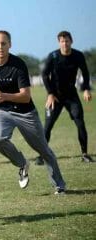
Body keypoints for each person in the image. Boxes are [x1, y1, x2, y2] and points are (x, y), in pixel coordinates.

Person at [0, 30, 66, 194]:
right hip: (2, 112)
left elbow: (26, 96)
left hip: (25, 112)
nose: (0, 47)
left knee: (43, 150)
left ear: (10, 45)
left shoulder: (18, 65)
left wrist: (3, 95)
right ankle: (22, 163)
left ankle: (59, 185)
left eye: (4, 43)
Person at [35, 31, 94, 165]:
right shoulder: (53, 56)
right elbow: (44, 75)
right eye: (62, 41)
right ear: (59, 42)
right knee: (48, 126)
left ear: (71, 42)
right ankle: (41, 156)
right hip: (54, 96)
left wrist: (86, 88)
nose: (65, 43)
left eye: (67, 41)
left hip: (71, 96)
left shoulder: (78, 55)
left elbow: (85, 72)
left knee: (80, 122)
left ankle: (85, 154)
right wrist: (50, 93)